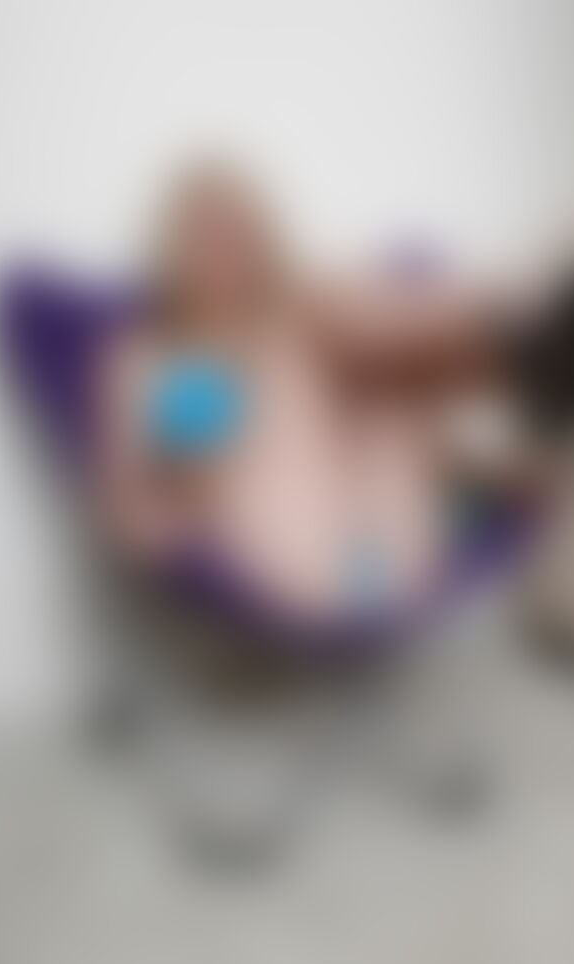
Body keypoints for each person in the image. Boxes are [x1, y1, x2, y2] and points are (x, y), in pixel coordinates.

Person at [97, 161, 498, 622]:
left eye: (235, 237)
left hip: (385, 541)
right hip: (278, 566)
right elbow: (136, 511)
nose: (221, 256)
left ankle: (474, 485)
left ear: (263, 243)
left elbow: (402, 407)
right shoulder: (149, 362)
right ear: (173, 253)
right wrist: (180, 493)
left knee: (381, 370)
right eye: (203, 241)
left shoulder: (304, 321)